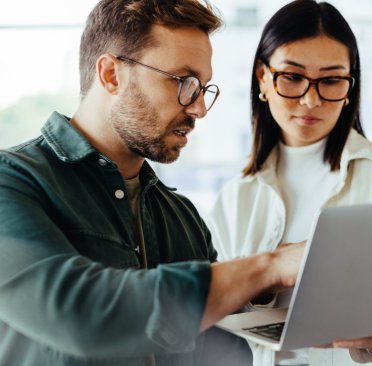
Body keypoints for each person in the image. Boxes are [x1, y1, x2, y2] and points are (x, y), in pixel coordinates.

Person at [0, 1, 311, 365]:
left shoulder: (182, 216)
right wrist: (266, 266)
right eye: (184, 82)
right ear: (111, 74)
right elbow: (80, 314)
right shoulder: (14, 182)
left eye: (204, 89)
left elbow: (222, 354)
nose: (199, 109)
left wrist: (319, 321)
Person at [208, 1, 372, 365]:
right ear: (263, 76)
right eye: (292, 77)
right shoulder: (235, 198)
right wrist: (264, 278)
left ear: (349, 85)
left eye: (330, 80)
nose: (311, 100)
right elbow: (212, 325)